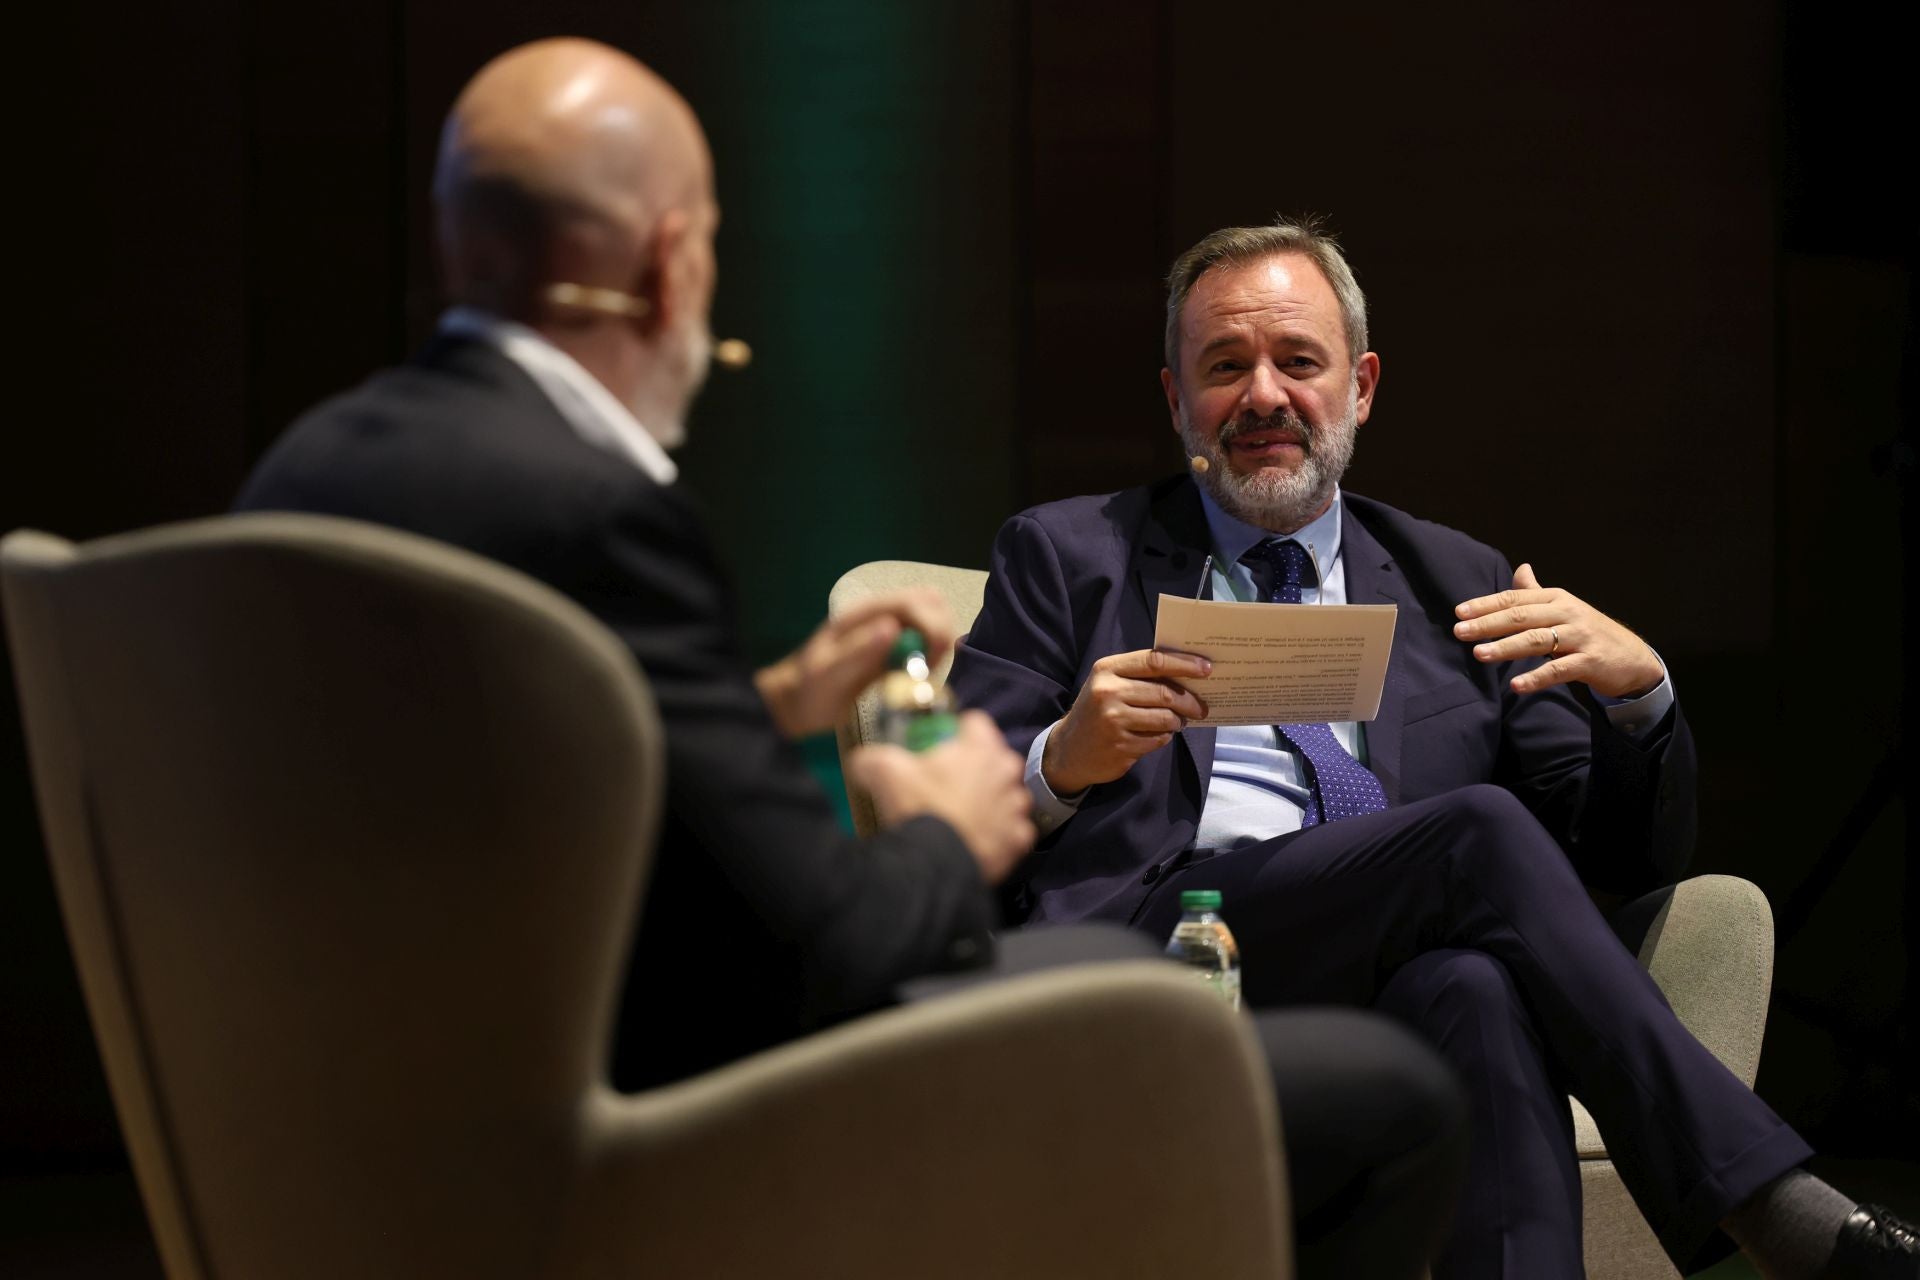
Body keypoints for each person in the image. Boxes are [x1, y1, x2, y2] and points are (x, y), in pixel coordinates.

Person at [236, 42, 1468, 1279]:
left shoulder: (312, 474)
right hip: (661, 1126)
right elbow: (821, 945)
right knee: (1388, 1095)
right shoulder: (596, 507)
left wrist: (759, 708)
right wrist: (944, 825)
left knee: (1105, 971)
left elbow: (529, 774)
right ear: (675, 262)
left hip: (381, 1123)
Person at [947, 218, 1920, 1280]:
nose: (1263, 395)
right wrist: (1062, 757)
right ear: (1178, 398)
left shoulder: (1457, 578)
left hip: (1394, 966)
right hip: (1162, 943)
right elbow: (941, 819)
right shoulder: (1068, 553)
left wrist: (1641, 698)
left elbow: (1609, 861)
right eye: (1225, 366)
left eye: (1298, 361)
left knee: (1477, 986)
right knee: (1475, 832)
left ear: (1360, 385)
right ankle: (1777, 1211)